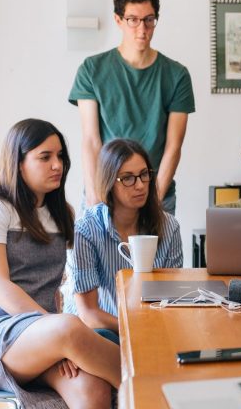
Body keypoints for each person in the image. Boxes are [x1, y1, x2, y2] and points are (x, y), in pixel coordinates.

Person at [0, 119, 119, 408]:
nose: (57, 165)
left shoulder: (61, 213)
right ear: (18, 162)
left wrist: (56, 339)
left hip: (43, 337)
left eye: (60, 156)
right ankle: (153, 387)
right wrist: (55, 330)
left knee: (92, 388)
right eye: (45, 157)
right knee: (71, 328)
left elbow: (52, 287)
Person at [69, 0, 195, 214]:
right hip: (105, 192)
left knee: (157, 252)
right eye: (133, 20)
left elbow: (173, 146)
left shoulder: (177, 75)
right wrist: (95, 197)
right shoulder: (92, 70)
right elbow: (90, 140)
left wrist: (154, 201)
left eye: (149, 20)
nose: (142, 28)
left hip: (156, 193)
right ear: (118, 20)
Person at [66, 139, 184, 340]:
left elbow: (172, 299)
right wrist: (136, 328)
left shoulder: (169, 226)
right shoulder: (85, 229)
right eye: (128, 178)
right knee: (105, 337)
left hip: (151, 328)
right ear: (109, 182)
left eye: (144, 175)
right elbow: (89, 315)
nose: (140, 186)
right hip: (99, 333)